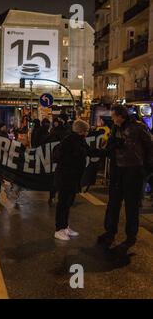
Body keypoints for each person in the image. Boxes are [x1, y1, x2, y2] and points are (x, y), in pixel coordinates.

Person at [98, 105, 153, 247]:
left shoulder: (138, 128)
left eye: (114, 116)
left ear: (121, 116)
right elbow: (110, 146)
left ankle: (131, 235)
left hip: (133, 171)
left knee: (131, 205)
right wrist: (111, 145)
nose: (112, 118)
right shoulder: (115, 128)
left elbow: (150, 147)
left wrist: (146, 168)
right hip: (117, 170)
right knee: (113, 203)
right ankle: (110, 232)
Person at [53, 120, 102, 241]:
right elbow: (62, 159)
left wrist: (105, 152)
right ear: (81, 131)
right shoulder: (68, 141)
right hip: (65, 178)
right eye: (86, 131)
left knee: (68, 203)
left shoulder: (79, 140)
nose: (87, 133)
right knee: (63, 203)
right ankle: (58, 229)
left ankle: (65, 227)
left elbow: (89, 151)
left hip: (73, 178)